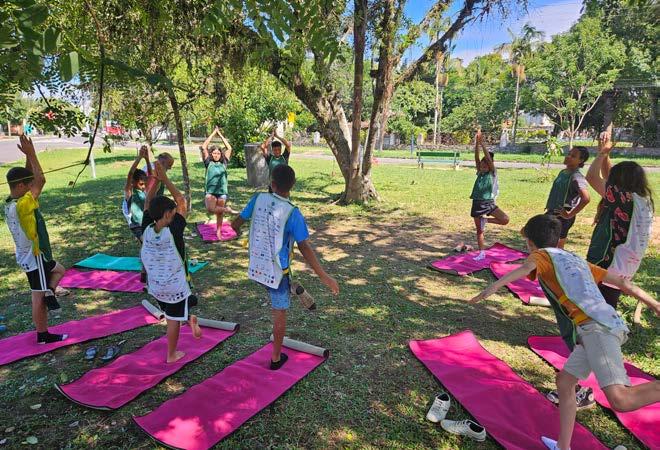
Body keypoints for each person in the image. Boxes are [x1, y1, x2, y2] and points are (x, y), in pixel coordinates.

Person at [469, 214, 660, 450]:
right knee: (565, 381)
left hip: (598, 329)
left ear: (530, 243)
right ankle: (563, 446)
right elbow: (621, 283)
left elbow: (527, 267)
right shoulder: (573, 259)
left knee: (620, 399)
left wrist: (494, 286)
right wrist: (655, 304)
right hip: (600, 325)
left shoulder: (541, 255)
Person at [231, 164, 339, 370]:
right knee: (279, 313)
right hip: (277, 273)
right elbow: (304, 246)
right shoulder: (293, 213)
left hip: (257, 268)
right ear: (293, 185)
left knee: (278, 291)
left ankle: (293, 287)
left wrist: (234, 229)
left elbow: (237, 222)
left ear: (272, 184)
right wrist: (324, 276)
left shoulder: (257, 199)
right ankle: (275, 358)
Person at [4, 134, 67, 344]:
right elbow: (41, 180)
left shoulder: (11, 200)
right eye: (28, 184)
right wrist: (32, 154)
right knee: (37, 295)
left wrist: (27, 158)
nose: (32, 187)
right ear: (21, 187)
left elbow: (30, 178)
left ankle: (50, 292)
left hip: (32, 255)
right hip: (34, 256)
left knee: (59, 270)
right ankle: (43, 335)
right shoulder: (23, 204)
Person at [141, 161, 201, 363]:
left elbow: (148, 204)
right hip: (174, 287)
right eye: (173, 213)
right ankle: (171, 354)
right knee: (173, 320)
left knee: (172, 312)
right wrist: (165, 179)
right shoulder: (174, 230)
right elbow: (181, 200)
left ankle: (188, 317)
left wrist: (155, 182)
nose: (176, 214)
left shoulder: (146, 228)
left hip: (155, 286)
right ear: (168, 214)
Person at [585, 131, 654, 310]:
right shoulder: (641, 198)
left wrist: (601, 154)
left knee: (601, 304)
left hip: (608, 260)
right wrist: (606, 154)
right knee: (608, 299)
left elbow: (591, 177)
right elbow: (608, 176)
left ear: (619, 181)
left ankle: (603, 327)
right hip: (625, 262)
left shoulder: (623, 199)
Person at [469, 129, 509, 259]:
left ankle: (485, 220)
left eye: (486, 164)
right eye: (482, 164)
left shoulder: (493, 173)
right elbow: (476, 157)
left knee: (505, 219)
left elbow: (488, 160)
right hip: (477, 203)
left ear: (491, 164)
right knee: (479, 230)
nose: (483, 165)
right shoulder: (480, 171)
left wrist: (482, 144)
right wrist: (477, 143)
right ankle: (481, 253)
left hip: (489, 203)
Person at [544, 146, 591, 248]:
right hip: (552, 212)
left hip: (562, 216)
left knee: (555, 247)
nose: (568, 157)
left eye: (573, 156)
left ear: (581, 160)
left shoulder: (576, 177)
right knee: (546, 242)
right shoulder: (563, 172)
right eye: (569, 154)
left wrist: (569, 215)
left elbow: (586, 198)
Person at [200, 126, 237, 238]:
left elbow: (229, 148)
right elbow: (204, 146)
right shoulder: (208, 162)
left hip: (222, 191)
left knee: (219, 212)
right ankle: (228, 210)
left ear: (221, 154)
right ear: (211, 154)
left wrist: (220, 134)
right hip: (210, 191)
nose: (216, 155)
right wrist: (213, 133)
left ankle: (219, 232)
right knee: (210, 209)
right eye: (214, 153)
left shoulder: (224, 162)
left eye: (218, 153)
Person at [123, 145, 151, 242]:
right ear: (133, 182)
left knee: (149, 244)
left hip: (147, 223)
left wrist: (147, 159)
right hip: (136, 226)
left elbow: (151, 176)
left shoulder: (144, 191)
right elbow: (131, 173)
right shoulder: (129, 192)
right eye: (141, 184)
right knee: (146, 242)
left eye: (145, 184)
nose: (144, 186)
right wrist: (139, 157)